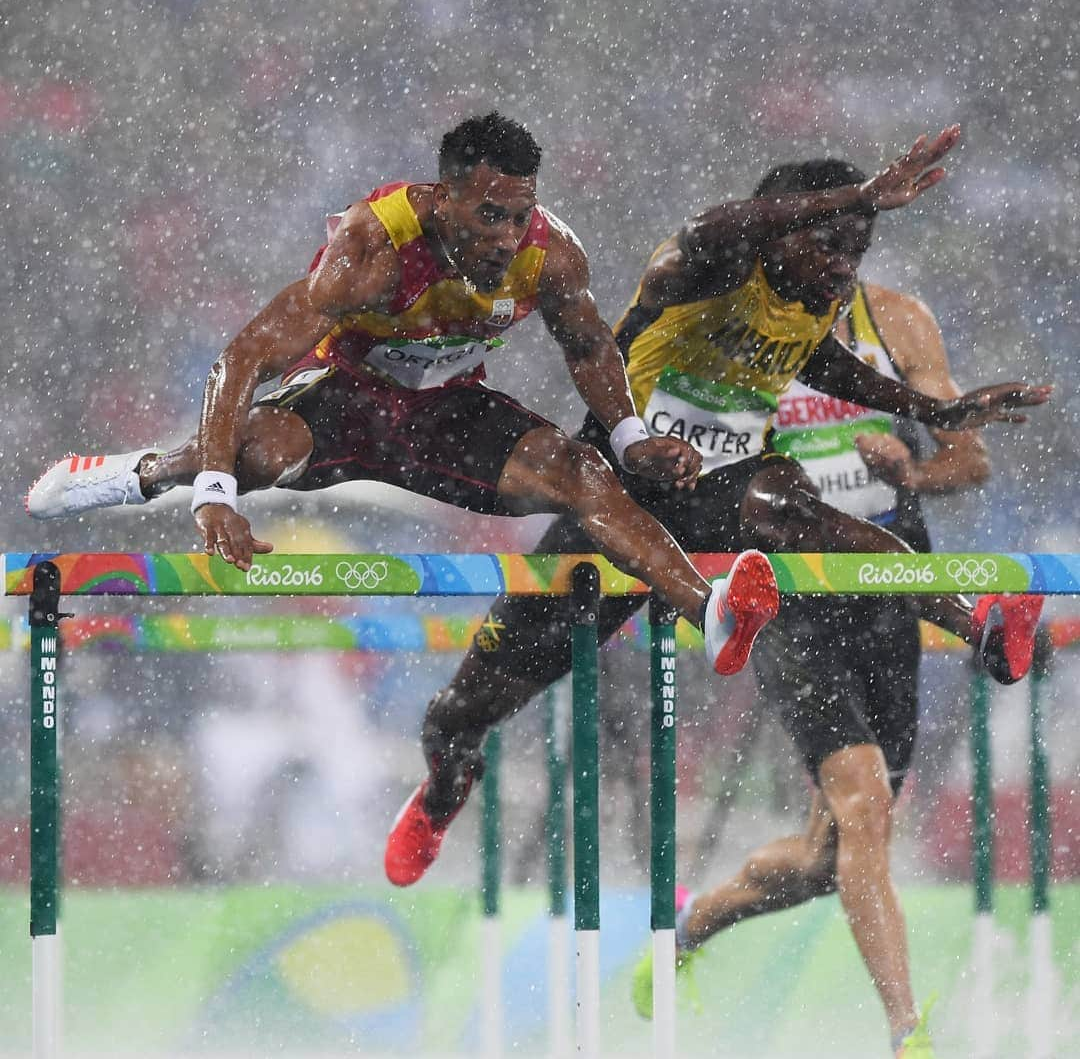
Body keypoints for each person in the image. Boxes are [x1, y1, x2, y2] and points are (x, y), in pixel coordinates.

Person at [382, 132, 1049, 910]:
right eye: (831, 243)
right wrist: (860, 193)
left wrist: (937, 410)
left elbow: (818, 361)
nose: (845, 265)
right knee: (461, 712)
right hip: (621, 504)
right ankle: (443, 787)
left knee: (796, 510)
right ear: (783, 228)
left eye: (858, 249)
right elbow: (719, 221)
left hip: (730, 490)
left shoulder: (818, 291)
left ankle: (983, 630)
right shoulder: (705, 261)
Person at [26, 111, 781, 682]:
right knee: (262, 450)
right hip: (347, 400)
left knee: (586, 473)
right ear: (444, 199)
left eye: (519, 217)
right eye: (489, 216)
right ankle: (143, 473)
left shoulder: (551, 256)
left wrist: (629, 437)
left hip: (446, 415)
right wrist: (215, 491)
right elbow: (246, 354)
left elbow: (587, 345)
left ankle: (709, 610)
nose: (506, 238)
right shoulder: (372, 249)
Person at [630, 273, 993, 1058]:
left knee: (831, 855)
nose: (828, 264)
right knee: (864, 806)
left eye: (844, 248)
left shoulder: (897, 319)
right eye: (812, 248)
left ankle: (694, 921)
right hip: (789, 595)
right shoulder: (729, 330)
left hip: (890, 588)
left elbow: (971, 460)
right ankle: (907, 1033)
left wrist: (913, 472)